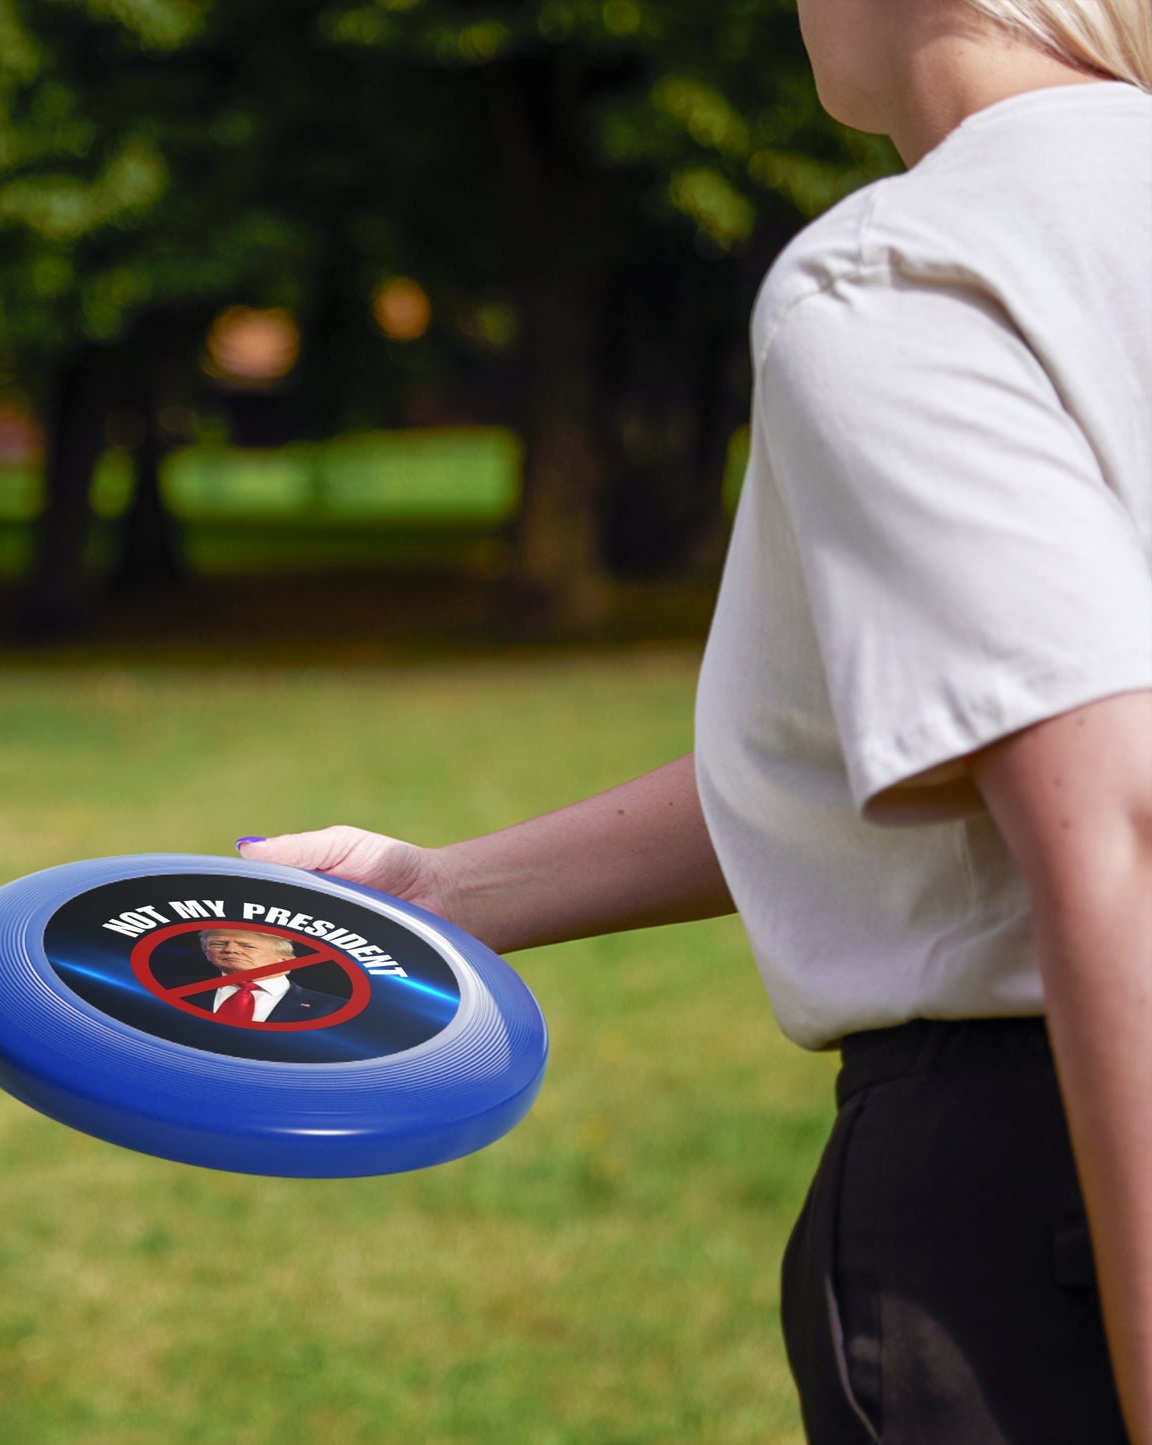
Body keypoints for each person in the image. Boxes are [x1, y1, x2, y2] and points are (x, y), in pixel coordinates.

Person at [235, 2, 1152, 1440]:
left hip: (1049, 1191)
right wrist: (445, 891)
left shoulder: (911, 269)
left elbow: (1116, 822)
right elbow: (925, 740)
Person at [189, 929, 345, 1024]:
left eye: (247, 946)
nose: (230, 949)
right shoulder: (183, 996)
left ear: (284, 960)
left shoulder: (333, 1008)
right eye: (218, 944)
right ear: (206, 953)